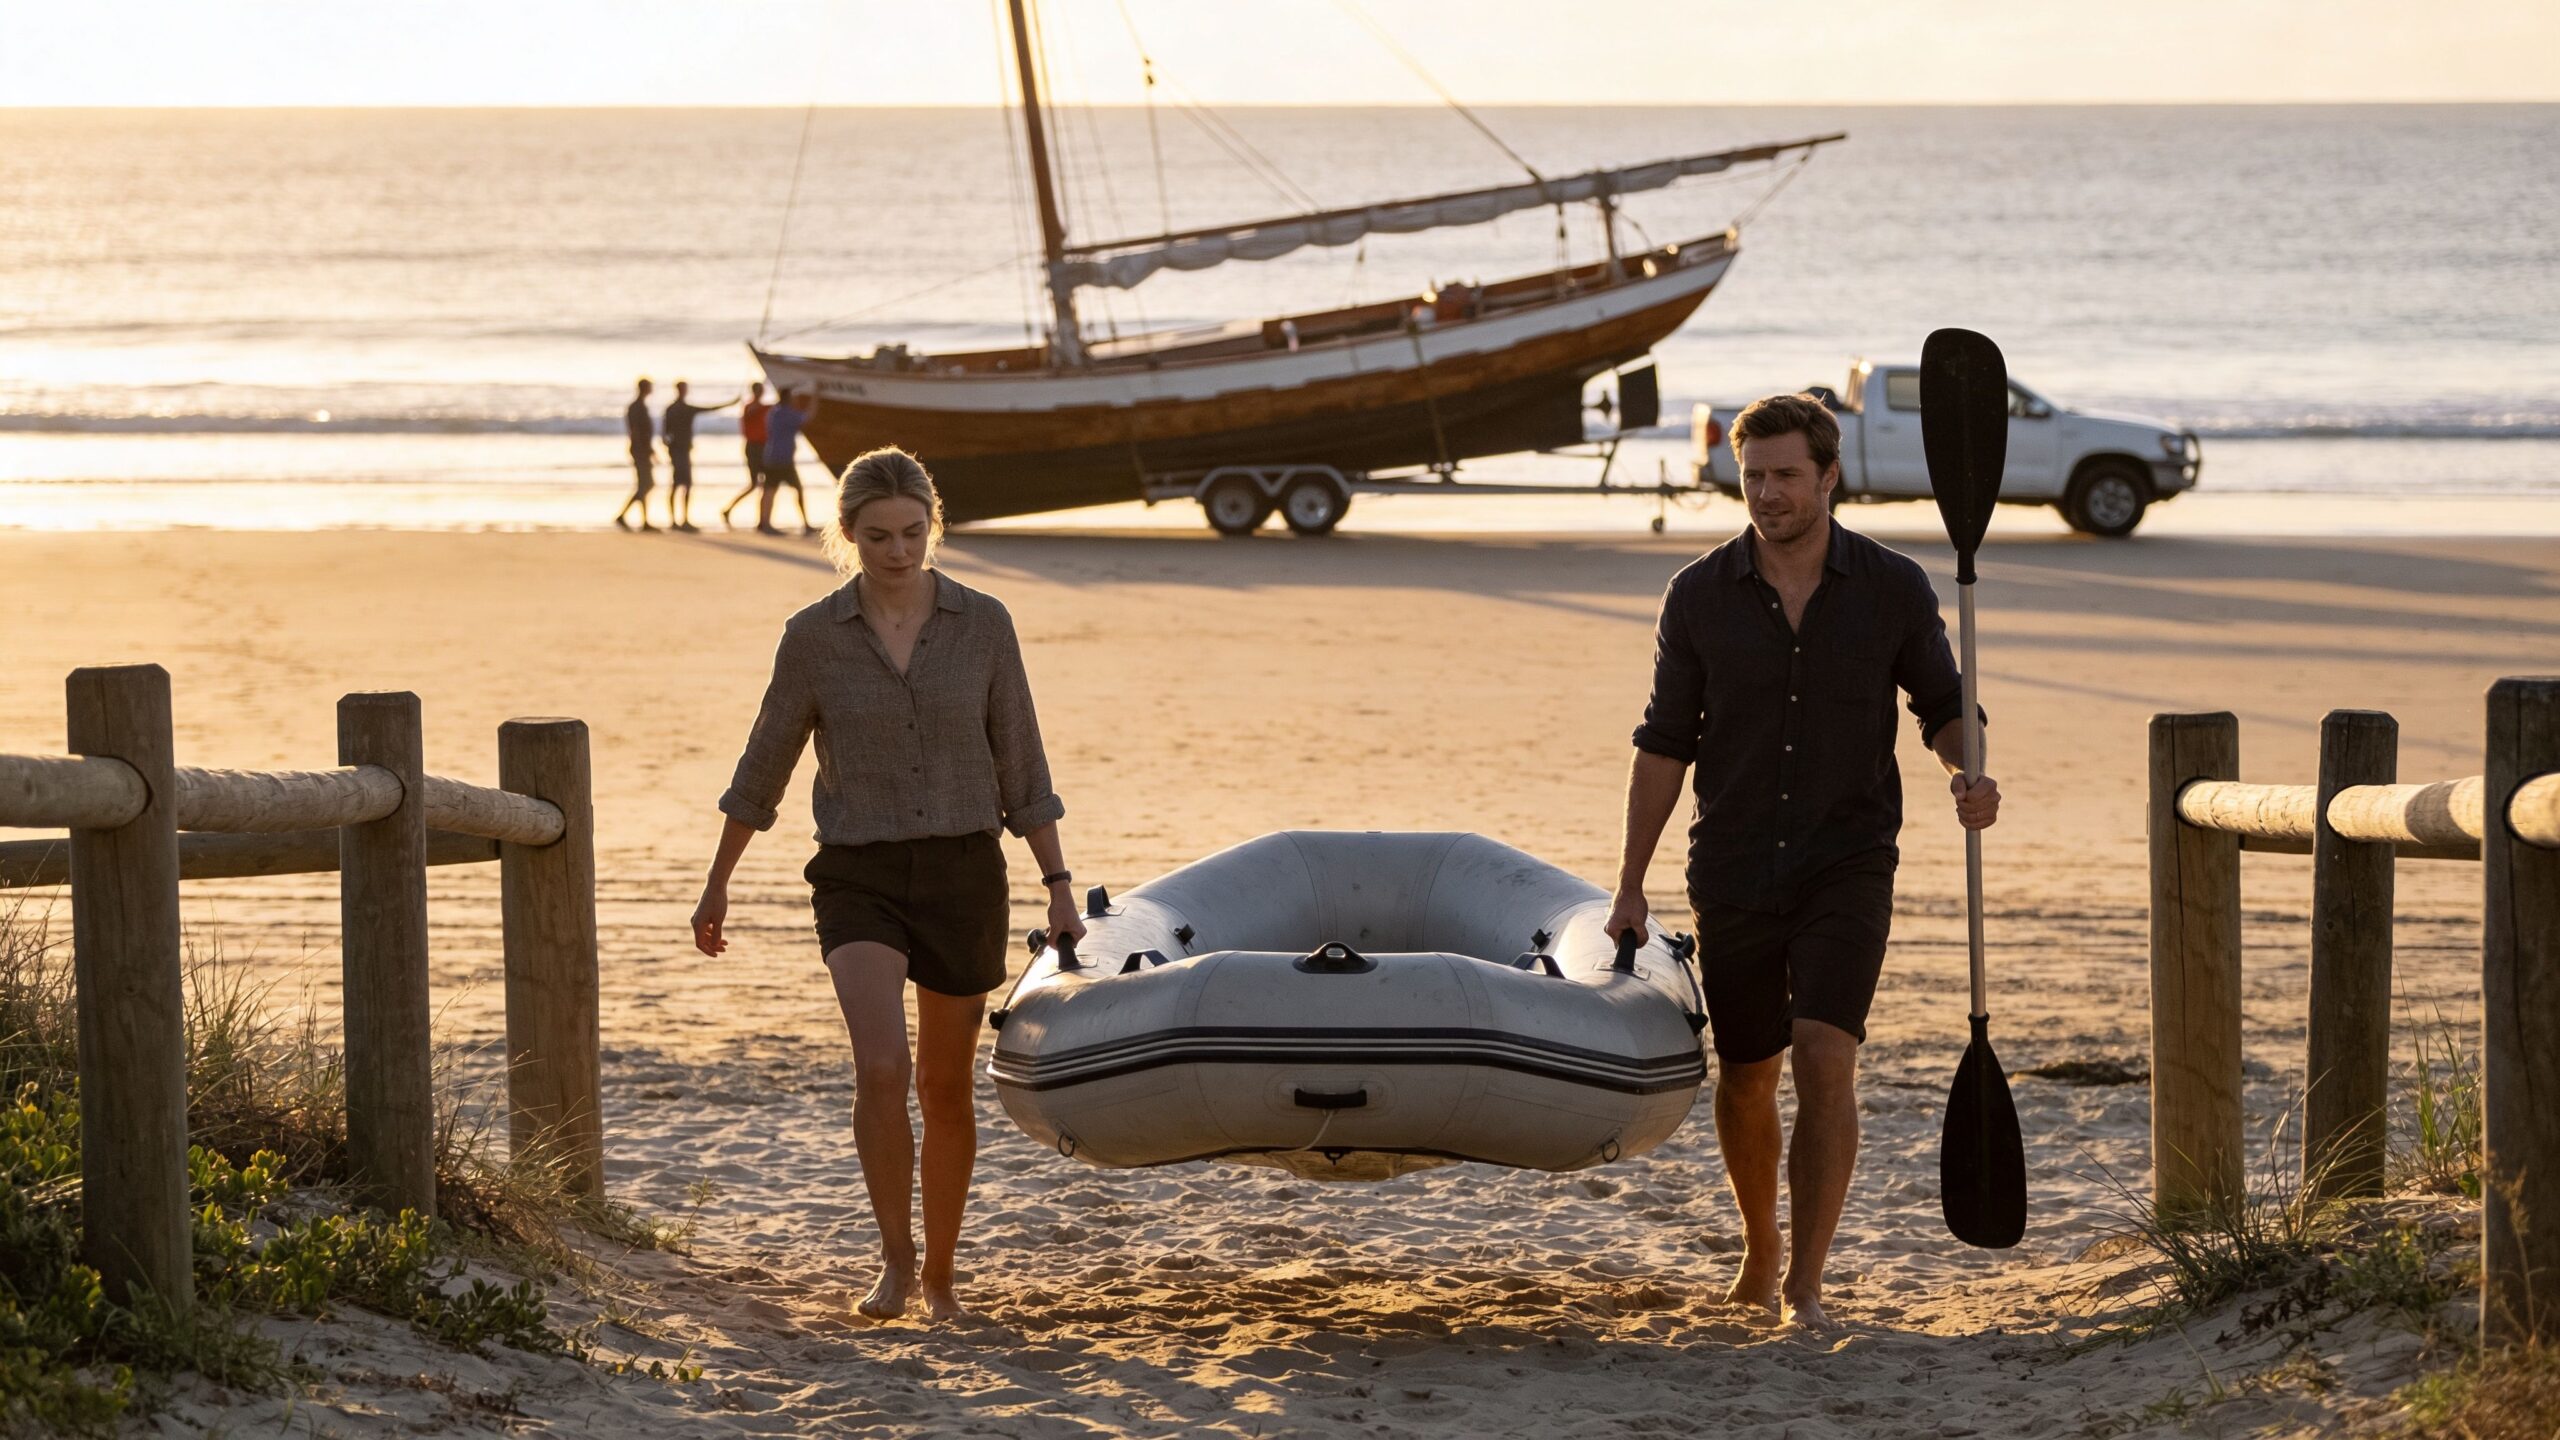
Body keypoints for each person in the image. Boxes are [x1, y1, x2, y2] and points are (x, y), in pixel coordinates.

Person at [1607, 392, 2001, 1332]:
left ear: (1829, 475)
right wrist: (1629, 883)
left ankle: (1806, 1283)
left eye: (1787, 475)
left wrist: (1968, 770)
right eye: (1753, 476)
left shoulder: (1893, 587)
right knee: (1748, 1073)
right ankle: (1761, 1242)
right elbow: (1664, 744)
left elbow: (1946, 705)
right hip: (1733, 863)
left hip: (1847, 860)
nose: (1768, 493)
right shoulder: (1698, 594)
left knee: (1826, 1058)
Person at [691, 446, 1080, 1323]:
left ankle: (941, 1277)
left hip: (963, 871)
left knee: (943, 1088)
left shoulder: (984, 624)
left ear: (930, 527)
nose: (897, 551)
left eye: (911, 533)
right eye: (877, 537)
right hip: (858, 871)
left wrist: (1058, 884)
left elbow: (1022, 760)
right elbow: (765, 764)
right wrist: (718, 882)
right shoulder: (812, 638)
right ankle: (895, 1265)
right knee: (881, 1065)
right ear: (847, 534)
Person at [658, 380, 737, 532]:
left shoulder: (679, 409)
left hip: (681, 451)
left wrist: (730, 403)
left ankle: (681, 519)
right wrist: (671, 447)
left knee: (684, 484)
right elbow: (665, 433)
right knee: (680, 484)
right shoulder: (676, 409)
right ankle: (677, 520)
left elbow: (709, 409)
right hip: (679, 451)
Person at [756, 387, 821, 536]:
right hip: (782, 458)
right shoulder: (787, 414)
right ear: (787, 398)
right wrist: (815, 397)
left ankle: (764, 523)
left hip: (771, 456)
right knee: (794, 489)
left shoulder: (774, 412)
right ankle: (804, 524)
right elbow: (808, 417)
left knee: (769, 491)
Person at [720, 382, 773, 528]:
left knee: (763, 484)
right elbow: (751, 414)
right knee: (756, 484)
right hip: (754, 447)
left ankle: (762, 519)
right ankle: (731, 510)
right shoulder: (750, 406)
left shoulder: (763, 407)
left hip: (763, 447)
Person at [612, 378, 657, 531]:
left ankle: (643, 520)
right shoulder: (637, 407)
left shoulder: (638, 406)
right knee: (646, 485)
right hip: (640, 450)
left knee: (644, 485)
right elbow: (637, 431)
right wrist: (646, 450)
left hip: (641, 449)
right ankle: (625, 516)